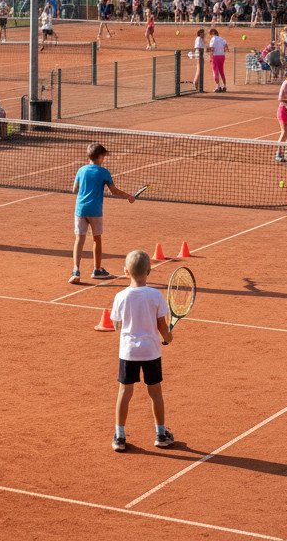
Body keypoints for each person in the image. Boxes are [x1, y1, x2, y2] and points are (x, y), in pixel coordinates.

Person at [110, 249, 174, 452]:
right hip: (151, 352)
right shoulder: (155, 295)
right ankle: (161, 434)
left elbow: (115, 324)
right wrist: (167, 337)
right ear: (149, 271)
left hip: (128, 352)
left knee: (124, 392)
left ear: (125, 272)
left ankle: (119, 436)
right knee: (155, 392)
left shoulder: (120, 296)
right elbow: (161, 325)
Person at [70, 142, 136, 284]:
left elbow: (74, 189)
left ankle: (76, 270)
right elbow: (114, 191)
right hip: (95, 210)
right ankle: (97, 270)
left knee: (79, 239)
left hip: (80, 209)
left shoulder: (81, 170)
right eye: (104, 156)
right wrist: (128, 196)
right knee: (96, 239)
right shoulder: (104, 172)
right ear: (100, 157)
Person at [208, 27, 228, 92]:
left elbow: (212, 49)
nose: (211, 35)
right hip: (222, 56)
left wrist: (210, 57)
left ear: (213, 33)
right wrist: (222, 50)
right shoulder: (222, 39)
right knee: (221, 71)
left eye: (211, 33)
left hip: (215, 57)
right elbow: (226, 47)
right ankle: (224, 86)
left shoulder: (213, 39)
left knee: (215, 71)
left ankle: (218, 86)